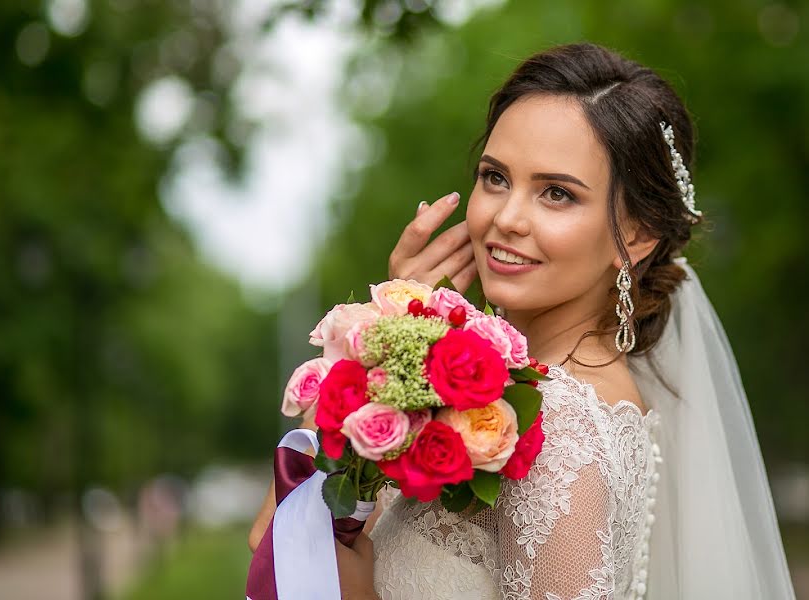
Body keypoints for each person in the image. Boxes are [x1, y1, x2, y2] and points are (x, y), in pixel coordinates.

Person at [250, 42, 796, 599]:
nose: (505, 219)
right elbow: (276, 541)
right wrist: (388, 331)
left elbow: (293, 555)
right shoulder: (503, 392)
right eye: (495, 178)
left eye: (556, 193)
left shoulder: (561, 432)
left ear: (634, 236)